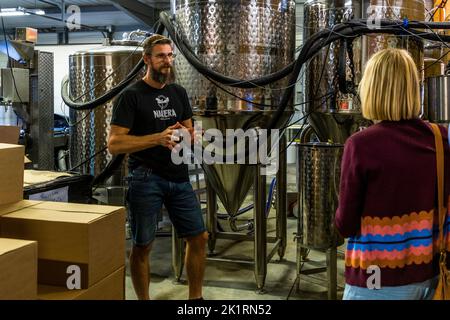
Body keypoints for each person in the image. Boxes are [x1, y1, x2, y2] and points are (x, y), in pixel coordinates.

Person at [335, 48, 450, 300]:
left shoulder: (361, 145)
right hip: (430, 278)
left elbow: (346, 224)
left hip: (375, 281)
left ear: (372, 90)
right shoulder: (441, 139)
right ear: (413, 89)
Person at [108, 34, 208, 300]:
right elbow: (115, 144)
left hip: (178, 176)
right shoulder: (131, 97)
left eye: (170, 55)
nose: (167, 61)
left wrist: (188, 135)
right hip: (145, 178)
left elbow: (189, 130)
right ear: (147, 59)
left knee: (199, 238)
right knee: (143, 245)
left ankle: (195, 299)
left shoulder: (178, 93)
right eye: (161, 56)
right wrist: (157, 138)